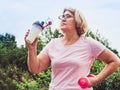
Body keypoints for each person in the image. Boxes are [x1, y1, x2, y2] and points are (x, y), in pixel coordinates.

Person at [24, 7, 120, 90]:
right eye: (62, 17)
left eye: (68, 16)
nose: (63, 19)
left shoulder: (88, 43)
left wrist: (95, 80)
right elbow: (35, 69)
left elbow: (115, 61)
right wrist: (32, 49)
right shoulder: (53, 44)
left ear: (78, 21)